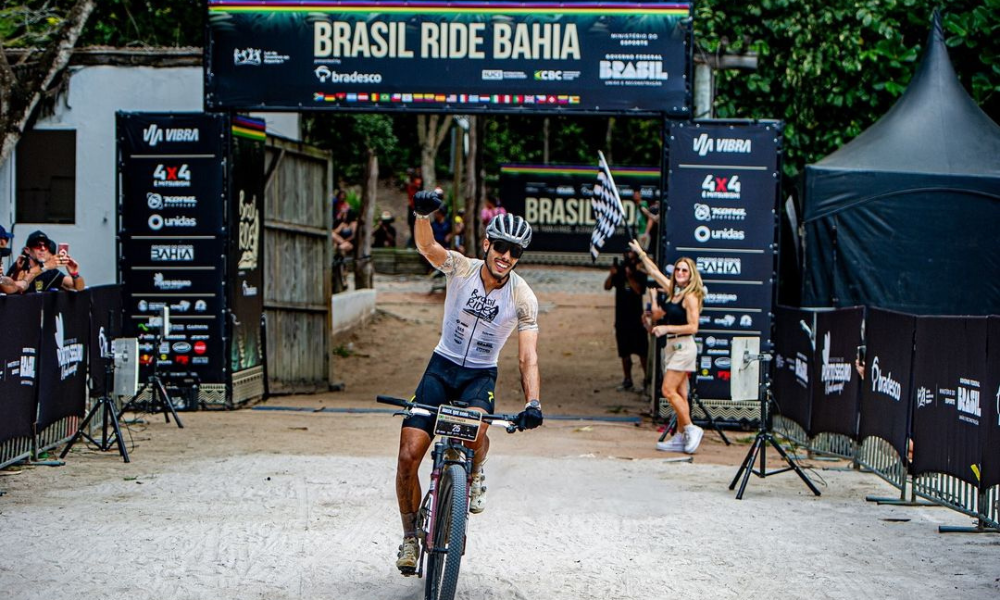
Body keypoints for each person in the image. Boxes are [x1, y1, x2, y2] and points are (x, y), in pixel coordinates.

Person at [394, 191, 543, 573]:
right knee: (409, 455)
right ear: (487, 243)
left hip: (480, 374)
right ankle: (411, 538)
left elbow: (528, 355)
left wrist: (533, 403)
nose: (506, 256)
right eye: (501, 247)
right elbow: (426, 246)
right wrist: (422, 214)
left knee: (475, 430)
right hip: (441, 367)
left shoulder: (522, 297)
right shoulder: (461, 268)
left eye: (515, 251)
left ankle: (474, 472)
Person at [629, 241, 705, 454]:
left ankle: (691, 428)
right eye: (678, 269)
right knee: (680, 392)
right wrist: (641, 253)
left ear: (691, 275)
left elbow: (694, 326)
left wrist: (665, 328)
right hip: (672, 346)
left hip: (683, 346)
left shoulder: (690, 296)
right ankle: (680, 437)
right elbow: (654, 271)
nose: (680, 273)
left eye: (684, 270)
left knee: (668, 390)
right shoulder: (674, 291)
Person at [604, 250, 647, 392]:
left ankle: (648, 379)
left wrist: (630, 277)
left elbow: (639, 290)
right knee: (624, 351)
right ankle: (627, 379)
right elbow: (607, 286)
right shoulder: (619, 271)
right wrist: (612, 273)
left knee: (642, 351)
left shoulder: (640, 273)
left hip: (637, 318)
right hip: (621, 318)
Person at [4, 230, 85, 294]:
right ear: (27, 250)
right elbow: (15, 286)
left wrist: (75, 274)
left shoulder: (50, 271)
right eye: (37, 245)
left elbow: (78, 287)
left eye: (45, 245)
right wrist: (45, 266)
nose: (42, 248)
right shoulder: (20, 265)